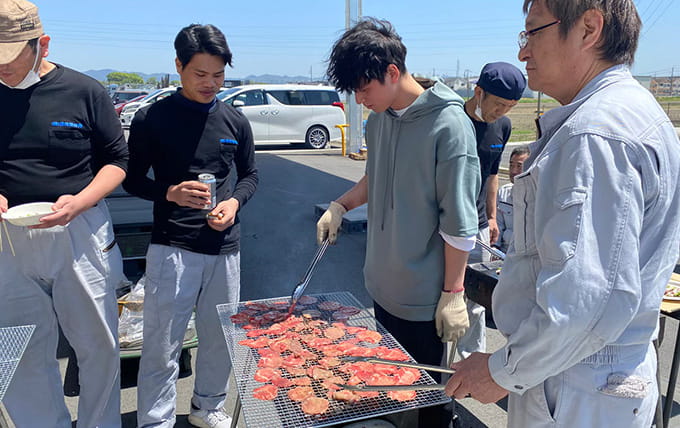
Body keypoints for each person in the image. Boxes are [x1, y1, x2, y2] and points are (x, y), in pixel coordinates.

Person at [445, 1, 680, 427]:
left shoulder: (597, 132)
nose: (523, 51)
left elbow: (585, 300)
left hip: (576, 384)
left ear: (589, 28)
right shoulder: (630, 112)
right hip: (594, 377)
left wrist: (501, 371)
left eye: (532, 32)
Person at [318, 18, 480, 428]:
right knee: (389, 385)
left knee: (430, 400)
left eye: (363, 88)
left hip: (425, 298)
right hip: (382, 284)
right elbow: (377, 178)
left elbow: (459, 221)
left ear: (392, 72)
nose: (359, 99)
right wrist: (340, 204)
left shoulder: (449, 126)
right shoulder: (380, 119)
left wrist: (453, 292)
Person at [0, 1, 128, 426]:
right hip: (9, 237)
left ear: (42, 44)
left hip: (79, 229)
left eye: (10, 57)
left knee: (98, 344)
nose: (3, 69)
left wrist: (83, 199)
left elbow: (116, 160)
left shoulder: (84, 91)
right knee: (18, 346)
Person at [123, 24, 258, 428]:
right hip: (172, 247)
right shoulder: (153, 117)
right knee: (163, 342)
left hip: (224, 248)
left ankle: (207, 407)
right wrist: (170, 193)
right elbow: (130, 178)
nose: (210, 84)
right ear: (179, 66)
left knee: (219, 338)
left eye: (218, 75)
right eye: (200, 74)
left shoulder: (234, 121)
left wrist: (233, 202)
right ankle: (155, 419)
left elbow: (250, 175)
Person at [455, 62, 526, 359]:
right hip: (444, 225)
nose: (501, 112)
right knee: (441, 296)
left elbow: (493, 174)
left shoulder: (503, 126)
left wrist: (493, 215)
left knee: (472, 298)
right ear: (479, 92)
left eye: (509, 106)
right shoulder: (452, 121)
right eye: (498, 104)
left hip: (479, 225)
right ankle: (433, 364)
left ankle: (468, 363)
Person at [495, 145, 530, 253]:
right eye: (511, 165)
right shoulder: (503, 193)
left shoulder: (540, 197)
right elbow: (497, 227)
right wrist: (495, 250)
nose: (514, 171)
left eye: (519, 166)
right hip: (504, 254)